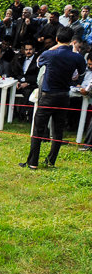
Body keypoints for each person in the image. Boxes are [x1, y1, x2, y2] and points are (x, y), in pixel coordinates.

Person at [21, 27, 86, 169]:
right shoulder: (77, 57)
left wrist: (56, 46)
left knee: (38, 129)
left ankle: (33, 162)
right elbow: (80, 72)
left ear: (57, 39)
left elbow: (39, 62)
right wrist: (72, 49)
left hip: (48, 95)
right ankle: (51, 160)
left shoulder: (49, 54)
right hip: (64, 95)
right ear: (71, 41)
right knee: (58, 130)